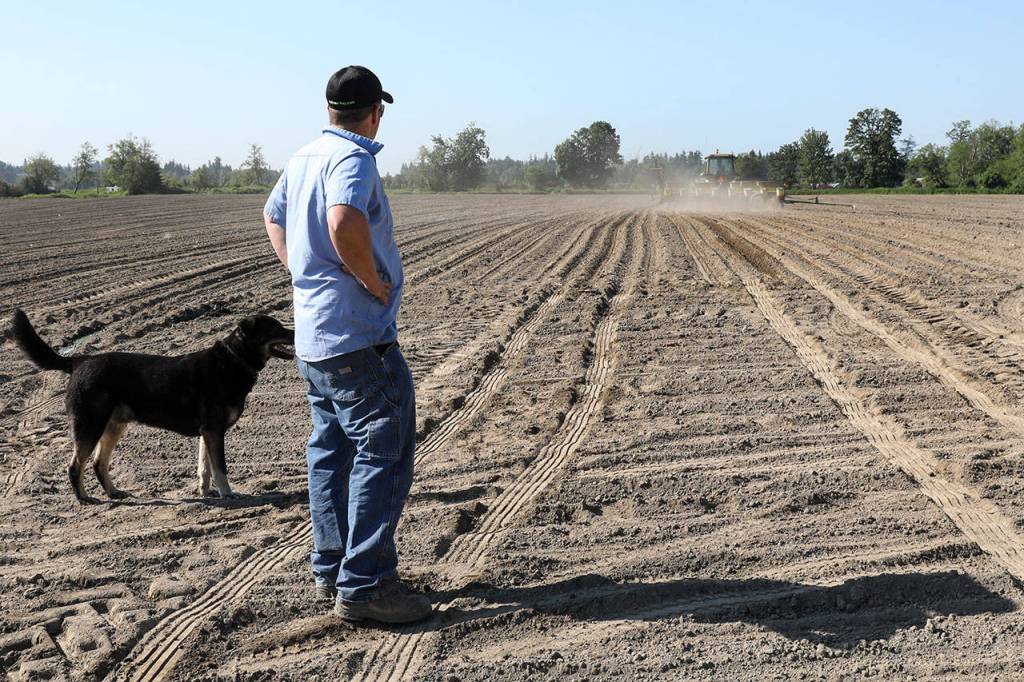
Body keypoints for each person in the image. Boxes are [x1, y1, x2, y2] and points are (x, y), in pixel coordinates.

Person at [262, 65, 430, 624]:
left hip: (315, 339)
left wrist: (303, 275)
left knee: (330, 453)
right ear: (375, 111)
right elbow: (343, 221)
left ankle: (332, 570)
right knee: (383, 454)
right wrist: (367, 278)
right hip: (358, 337)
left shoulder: (304, 156)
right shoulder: (354, 158)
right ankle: (367, 585)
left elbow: (273, 214)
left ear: (330, 109)